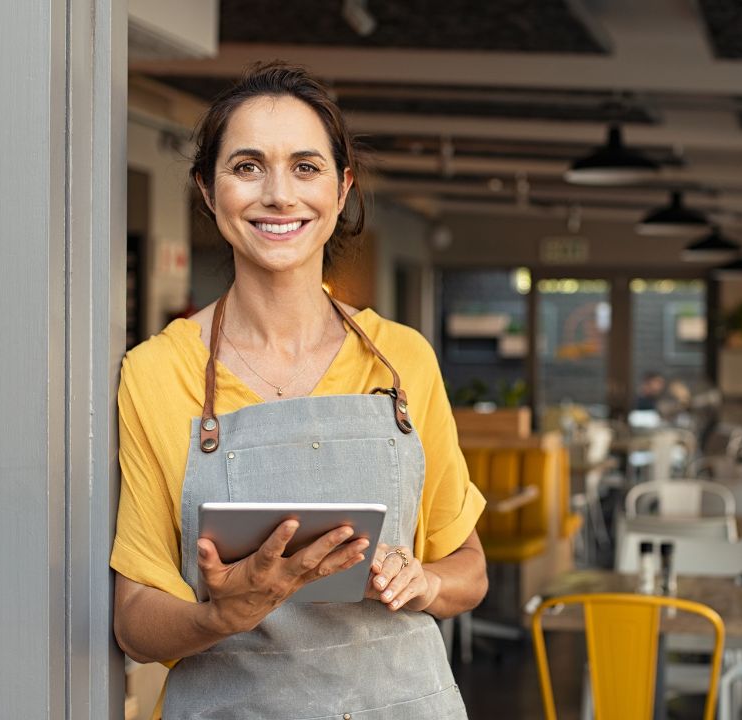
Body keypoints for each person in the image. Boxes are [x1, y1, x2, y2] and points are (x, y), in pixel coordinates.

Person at [110, 63, 486, 719]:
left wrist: (423, 582)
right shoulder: (155, 373)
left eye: (306, 167)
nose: (279, 194)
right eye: (247, 166)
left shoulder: (402, 362)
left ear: (341, 190)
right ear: (208, 189)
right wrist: (222, 613)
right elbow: (135, 619)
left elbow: (469, 569)